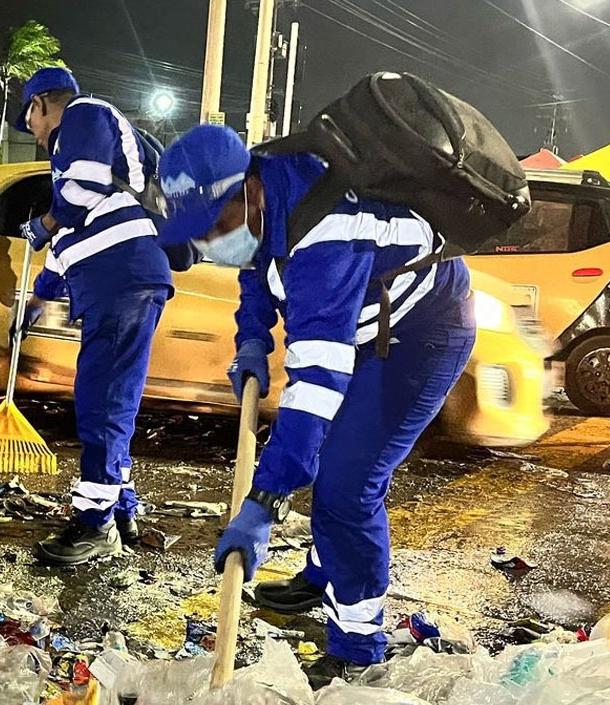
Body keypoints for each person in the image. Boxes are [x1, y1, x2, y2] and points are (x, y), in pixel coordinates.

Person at [156, 125, 475, 686]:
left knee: (347, 485)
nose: (209, 244)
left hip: (423, 338)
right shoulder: (267, 199)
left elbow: (315, 384)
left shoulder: (325, 232)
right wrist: (250, 338)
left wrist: (264, 502)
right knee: (330, 467)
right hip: (365, 326)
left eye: (212, 228)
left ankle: (357, 644)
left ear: (247, 189)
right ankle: (329, 570)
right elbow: (257, 271)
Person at [11, 67, 173, 566]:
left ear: (41, 104)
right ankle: (120, 507)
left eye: (31, 121)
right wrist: (38, 298)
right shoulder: (77, 148)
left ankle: (93, 524)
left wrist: (41, 222)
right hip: (116, 280)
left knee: (103, 399)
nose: (34, 135)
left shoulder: (83, 114)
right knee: (107, 397)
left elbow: (80, 193)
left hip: (121, 277)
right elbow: (68, 243)